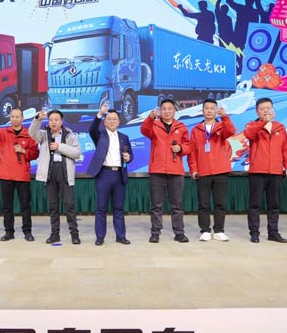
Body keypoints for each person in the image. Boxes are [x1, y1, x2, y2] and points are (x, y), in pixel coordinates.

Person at [140, 98, 192, 243]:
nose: (167, 111)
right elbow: (144, 130)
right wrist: (150, 118)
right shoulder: (154, 125)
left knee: (177, 205)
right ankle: (155, 232)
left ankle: (179, 233)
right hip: (157, 171)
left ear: (174, 111)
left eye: (170, 109)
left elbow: (188, 146)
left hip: (176, 171)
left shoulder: (181, 127)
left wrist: (180, 148)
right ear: (160, 111)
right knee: (156, 205)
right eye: (164, 109)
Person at [243, 97, 287, 243]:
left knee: (274, 204)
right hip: (257, 171)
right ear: (257, 112)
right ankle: (254, 233)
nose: (266, 111)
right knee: (255, 204)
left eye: (268, 108)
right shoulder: (252, 125)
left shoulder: (280, 127)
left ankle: (273, 232)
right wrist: (263, 122)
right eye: (262, 109)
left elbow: (285, 148)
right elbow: (249, 134)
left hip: (275, 172)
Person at [29, 109, 81, 244]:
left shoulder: (70, 135)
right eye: (51, 120)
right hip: (50, 172)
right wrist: (37, 119)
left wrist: (59, 147)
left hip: (64, 172)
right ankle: (54, 234)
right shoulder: (44, 135)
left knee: (69, 205)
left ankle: (74, 234)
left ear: (61, 121)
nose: (53, 122)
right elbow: (32, 132)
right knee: (53, 206)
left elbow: (77, 153)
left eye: (56, 120)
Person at [0, 108, 39, 242]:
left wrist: (24, 151)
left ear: (22, 118)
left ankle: (27, 232)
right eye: (12, 116)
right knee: (7, 206)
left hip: (22, 175)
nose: (14, 119)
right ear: (10, 118)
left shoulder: (28, 134)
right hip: (6, 175)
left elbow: (35, 153)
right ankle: (9, 232)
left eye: (17, 116)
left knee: (25, 206)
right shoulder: (2, 132)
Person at [188, 99, 236, 242]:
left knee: (220, 203)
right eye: (206, 108)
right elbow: (192, 152)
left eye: (212, 108)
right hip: (203, 172)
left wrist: (225, 117)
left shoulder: (222, 127)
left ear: (216, 110)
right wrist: (193, 169)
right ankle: (205, 230)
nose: (209, 110)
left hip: (220, 171)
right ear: (202, 110)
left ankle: (219, 230)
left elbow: (231, 131)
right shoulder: (196, 130)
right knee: (203, 204)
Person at [87, 104, 133, 245]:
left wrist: (128, 157)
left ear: (119, 121)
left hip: (119, 175)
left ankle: (121, 236)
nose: (112, 121)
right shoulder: (99, 135)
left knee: (119, 208)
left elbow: (131, 154)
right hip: (104, 174)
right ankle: (100, 237)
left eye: (114, 119)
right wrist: (100, 113)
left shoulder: (124, 137)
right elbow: (92, 129)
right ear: (105, 122)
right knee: (101, 208)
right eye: (109, 119)